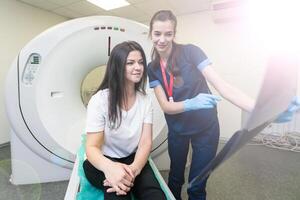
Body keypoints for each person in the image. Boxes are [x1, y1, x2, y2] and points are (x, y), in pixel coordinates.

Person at [147, 10, 300, 200]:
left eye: (168, 34)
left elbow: (224, 87)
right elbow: (165, 106)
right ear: (151, 33)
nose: (162, 39)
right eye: (157, 33)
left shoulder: (191, 52)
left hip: (206, 128)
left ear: (174, 33)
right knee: (175, 177)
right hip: (177, 129)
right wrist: (190, 103)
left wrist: (262, 108)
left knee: (197, 183)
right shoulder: (152, 68)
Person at [83, 41, 167, 200]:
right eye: (130, 63)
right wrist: (111, 169)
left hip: (132, 158)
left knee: (155, 195)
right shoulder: (99, 100)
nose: (138, 67)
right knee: (119, 195)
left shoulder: (145, 100)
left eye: (141, 62)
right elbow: (92, 147)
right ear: (118, 66)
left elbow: (145, 143)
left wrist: (134, 170)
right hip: (101, 161)